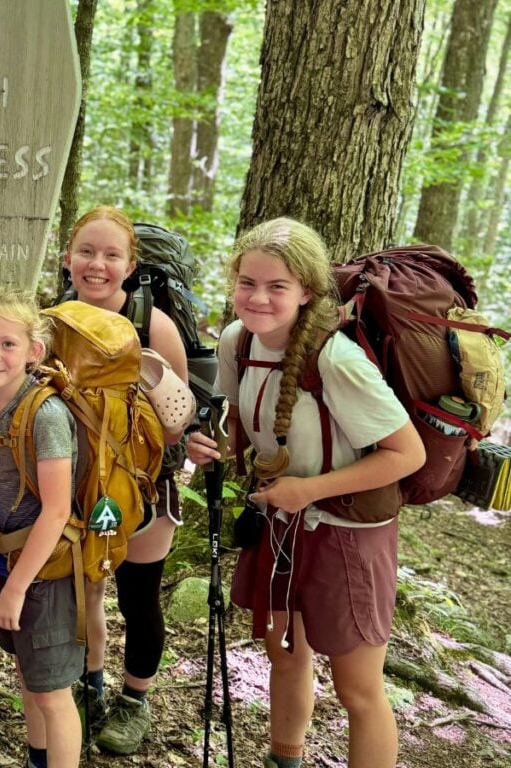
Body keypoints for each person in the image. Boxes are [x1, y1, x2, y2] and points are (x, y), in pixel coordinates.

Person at [185, 217, 425, 768]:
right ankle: (284, 759)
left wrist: (308, 490)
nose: (258, 297)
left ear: (307, 292)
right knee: (285, 655)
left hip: (348, 537)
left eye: (276, 287)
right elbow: (239, 426)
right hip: (282, 524)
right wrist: (212, 446)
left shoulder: (338, 361)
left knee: (357, 688)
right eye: (248, 282)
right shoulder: (236, 341)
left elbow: (406, 455)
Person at [61, 205, 189, 755]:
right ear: (67, 258)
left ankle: (134, 699)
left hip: (142, 486)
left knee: (138, 597)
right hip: (72, 484)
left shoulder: (151, 324)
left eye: (112, 255)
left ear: (131, 265)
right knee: (84, 590)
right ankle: (88, 684)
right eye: (87, 251)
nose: (98, 264)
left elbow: (182, 412)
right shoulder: (53, 320)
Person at [0, 287, 83, 768]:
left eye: (7, 344)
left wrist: (17, 590)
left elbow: (56, 511)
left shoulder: (45, 414)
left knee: (52, 693)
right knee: (30, 676)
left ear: (34, 351)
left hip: (46, 572)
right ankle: (37, 759)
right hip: (8, 560)